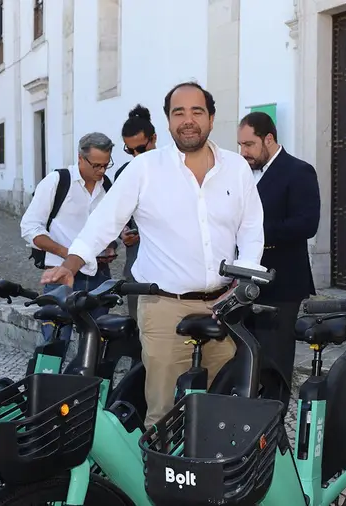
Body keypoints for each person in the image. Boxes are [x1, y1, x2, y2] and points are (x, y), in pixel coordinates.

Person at [40, 82, 265, 428]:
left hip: (223, 308)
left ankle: (212, 477)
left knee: (222, 410)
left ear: (211, 118)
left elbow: (251, 228)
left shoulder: (236, 168)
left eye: (196, 111)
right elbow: (105, 221)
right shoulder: (145, 169)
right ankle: (161, 479)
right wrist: (72, 262)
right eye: (179, 113)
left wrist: (246, 279)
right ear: (168, 121)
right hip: (164, 309)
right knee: (162, 413)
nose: (188, 120)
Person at [237, 111, 320, 405]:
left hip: (282, 282)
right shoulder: (242, 172)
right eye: (240, 145)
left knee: (274, 360)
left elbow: (307, 224)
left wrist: (256, 232)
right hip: (246, 280)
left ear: (268, 139)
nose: (243, 152)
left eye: (248, 145)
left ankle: (274, 418)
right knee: (246, 356)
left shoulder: (299, 171)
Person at [20, 132, 118, 342]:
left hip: (99, 276)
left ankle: (86, 376)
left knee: (96, 343)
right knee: (55, 342)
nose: (101, 171)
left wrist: (112, 245)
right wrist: (70, 255)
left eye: (106, 165)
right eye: (96, 165)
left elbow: (109, 228)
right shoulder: (58, 182)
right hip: (60, 276)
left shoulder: (108, 187)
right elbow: (29, 227)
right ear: (80, 158)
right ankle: (48, 376)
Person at [116, 104, 158, 321]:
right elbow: (117, 216)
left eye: (140, 149)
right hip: (135, 265)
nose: (135, 155)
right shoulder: (124, 174)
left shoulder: (173, 170)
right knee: (136, 323)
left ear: (154, 139)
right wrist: (123, 232)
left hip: (165, 269)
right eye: (129, 150)